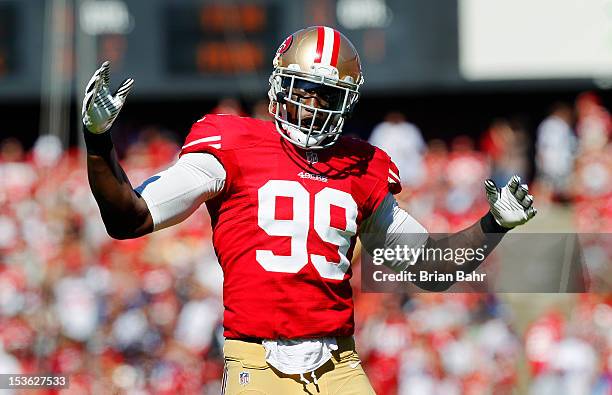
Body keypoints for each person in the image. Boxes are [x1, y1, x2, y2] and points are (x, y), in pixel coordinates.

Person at [81, 26, 536, 394]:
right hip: (257, 362)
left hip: (339, 362)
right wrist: (99, 141)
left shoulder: (362, 166)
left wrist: (495, 224)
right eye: (304, 88)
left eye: (326, 94)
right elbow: (131, 218)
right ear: (280, 86)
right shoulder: (232, 143)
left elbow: (428, 269)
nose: (313, 105)